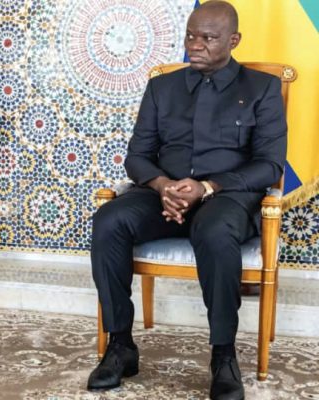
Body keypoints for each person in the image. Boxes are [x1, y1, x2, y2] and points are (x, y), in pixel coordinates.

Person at [88, 2, 286, 399]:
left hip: (226, 197)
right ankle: (121, 346)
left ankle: (223, 356)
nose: (195, 45)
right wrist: (164, 186)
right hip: (162, 195)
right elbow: (137, 157)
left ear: (233, 40)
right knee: (108, 220)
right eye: (191, 36)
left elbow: (269, 165)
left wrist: (207, 187)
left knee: (215, 231)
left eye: (208, 38)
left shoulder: (261, 88)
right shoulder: (163, 87)